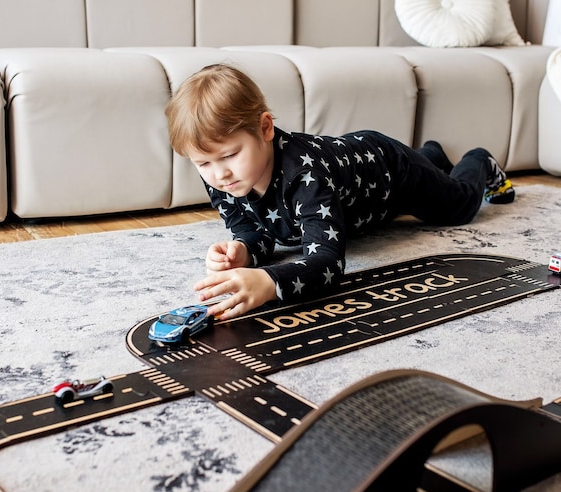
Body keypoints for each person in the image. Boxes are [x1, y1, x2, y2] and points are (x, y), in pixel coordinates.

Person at [165, 64, 515, 320]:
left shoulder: (306, 176)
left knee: (459, 206)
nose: (219, 173)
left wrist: (271, 282)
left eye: (229, 155)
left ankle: (477, 160)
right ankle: (431, 156)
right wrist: (242, 250)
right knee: (432, 173)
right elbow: (254, 228)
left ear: (266, 128)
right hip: (361, 184)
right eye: (203, 163)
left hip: (392, 174)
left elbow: (329, 262)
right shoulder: (221, 174)